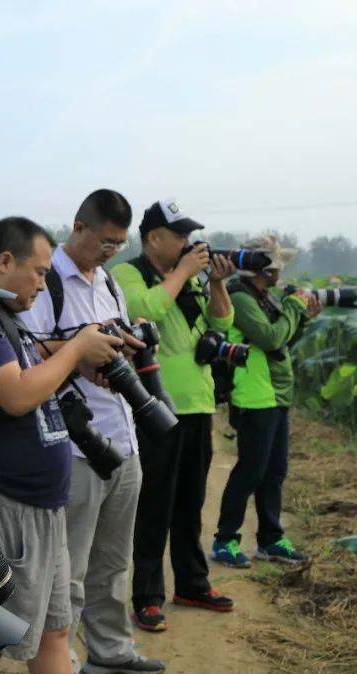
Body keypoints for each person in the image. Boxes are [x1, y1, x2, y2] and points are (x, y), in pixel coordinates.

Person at [0, 217, 124, 674]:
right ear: (4, 263)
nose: (43, 284)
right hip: (7, 505)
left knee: (54, 631)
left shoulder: (6, 321)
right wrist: (76, 350)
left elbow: (33, 383)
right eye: (38, 273)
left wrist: (78, 359)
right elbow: (17, 396)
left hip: (44, 506)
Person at [20, 190, 164, 674]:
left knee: (113, 560)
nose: (110, 252)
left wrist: (121, 346)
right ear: (78, 227)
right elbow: (27, 348)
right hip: (77, 446)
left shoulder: (107, 283)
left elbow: (116, 344)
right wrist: (78, 353)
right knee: (70, 570)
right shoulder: (47, 280)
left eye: (118, 245)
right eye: (105, 242)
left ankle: (110, 648)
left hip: (123, 437)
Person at [111, 199, 237, 633]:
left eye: (189, 235)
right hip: (157, 406)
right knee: (155, 504)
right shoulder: (129, 274)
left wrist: (216, 283)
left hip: (199, 402)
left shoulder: (190, 279)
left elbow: (223, 322)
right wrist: (183, 273)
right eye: (179, 235)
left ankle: (192, 583)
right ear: (152, 239)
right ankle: (147, 596)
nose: (187, 243)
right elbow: (143, 310)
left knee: (191, 501)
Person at [212, 234, 321, 569]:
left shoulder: (264, 297)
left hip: (275, 394)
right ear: (267, 270)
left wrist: (302, 317)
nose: (280, 274)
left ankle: (271, 540)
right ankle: (225, 540)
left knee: (275, 471)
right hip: (253, 395)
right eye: (276, 268)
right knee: (251, 470)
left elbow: (280, 344)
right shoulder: (241, 298)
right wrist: (293, 307)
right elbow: (270, 336)